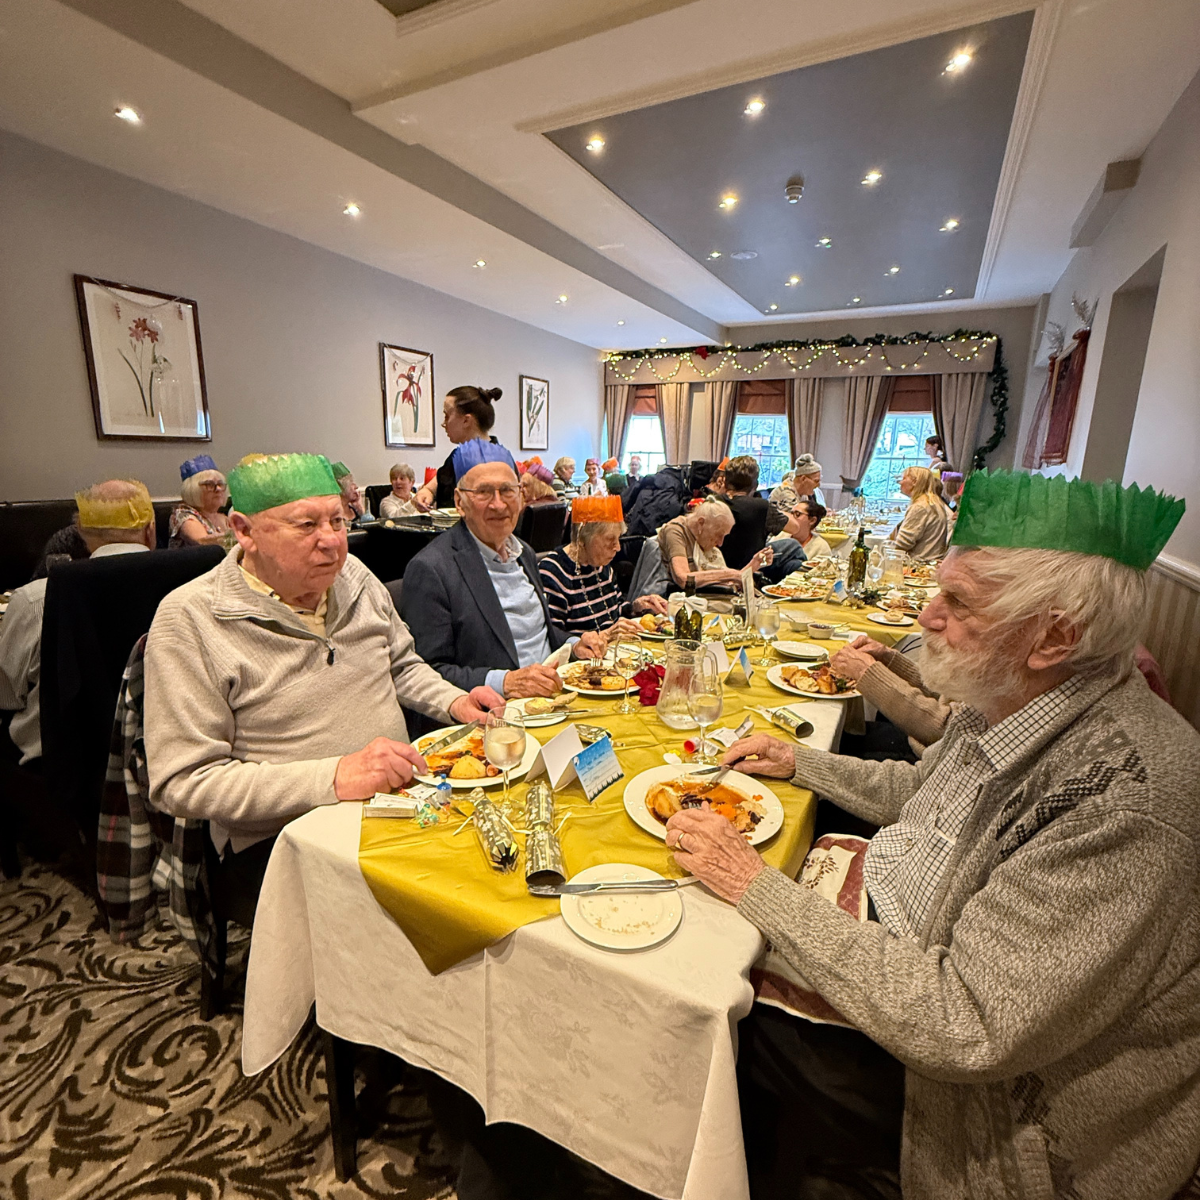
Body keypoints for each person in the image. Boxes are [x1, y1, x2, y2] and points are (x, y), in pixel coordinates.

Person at [664, 469, 1198, 1200]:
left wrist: (752, 885)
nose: (928, 614)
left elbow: (964, 1026)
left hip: (992, 1116)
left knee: (698, 1012)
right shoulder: (1016, 690)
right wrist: (803, 763)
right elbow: (924, 793)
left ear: (1054, 636)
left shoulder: (1124, 802)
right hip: (915, 939)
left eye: (956, 601)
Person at [144, 452, 500, 907]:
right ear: (243, 530)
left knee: (500, 856)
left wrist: (455, 702)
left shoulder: (353, 576)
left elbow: (401, 667)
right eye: (306, 526)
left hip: (398, 798)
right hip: (283, 837)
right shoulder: (191, 619)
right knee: (435, 906)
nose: (332, 542)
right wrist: (334, 777)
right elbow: (185, 780)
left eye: (337, 520)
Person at [401, 455, 605, 699]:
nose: (498, 505)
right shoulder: (431, 568)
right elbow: (426, 673)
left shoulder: (524, 553)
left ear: (521, 496)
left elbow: (535, 633)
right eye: (484, 492)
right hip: (497, 715)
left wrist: (573, 643)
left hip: (556, 696)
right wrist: (505, 682)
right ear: (459, 501)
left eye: (507, 491)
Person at [1, 480, 156, 767]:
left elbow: (7, 696)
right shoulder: (192, 589)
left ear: (81, 532)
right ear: (151, 531)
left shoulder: (35, 600)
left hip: (59, 774)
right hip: (160, 757)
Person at [538, 496, 668, 636]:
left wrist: (636, 607)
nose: (618, 547)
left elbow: (613, 611)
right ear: (582, 538)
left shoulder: (601, 565)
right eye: (610, 540)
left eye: (618, 538)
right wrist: (604, 636)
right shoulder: (553, 573)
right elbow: (553, 637)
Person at [831, 634, 952, 758]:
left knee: (831, 741)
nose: (922, 619)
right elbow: (942, 694)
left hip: (927, 758)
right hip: (918, 743)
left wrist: (868, 673)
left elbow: (945, 730)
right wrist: (888, 659)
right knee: (839, 731)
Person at [413, 386, 505, 511]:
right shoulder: (458, 455)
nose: (443, 424)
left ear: (466, 420)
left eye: (447, 416)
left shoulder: (497, 462)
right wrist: (426, 493)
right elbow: (433, 486)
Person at [717, 455, 808, 577]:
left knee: (794, 565)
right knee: (793, 546)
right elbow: (795, 528)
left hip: (718, 563)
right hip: (753, 565)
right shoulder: (761, 507)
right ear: (755, 484)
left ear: (726, 481)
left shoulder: (714, 502)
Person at [657, 499, 771, 590]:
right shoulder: (676, 531)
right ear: (701, 523)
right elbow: (683, 579)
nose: (720, 543)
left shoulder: (703, 538)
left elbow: (730, 580)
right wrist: (731, 574)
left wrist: (753, 565)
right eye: (718, 535)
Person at [169, 455, 230, 548]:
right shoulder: (184, 515)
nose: (218, 489)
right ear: (193, 490)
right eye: (209, 484)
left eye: (220, 484)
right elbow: (202, 541)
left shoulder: (223, 518)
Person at [891, 466, 951, 560]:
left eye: (904, 478)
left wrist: (881, 547)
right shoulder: (934, 502)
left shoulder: (920, 506)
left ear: (915, 482)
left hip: (919, 564)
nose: (900, 482)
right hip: (932, 561)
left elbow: (902, 544)